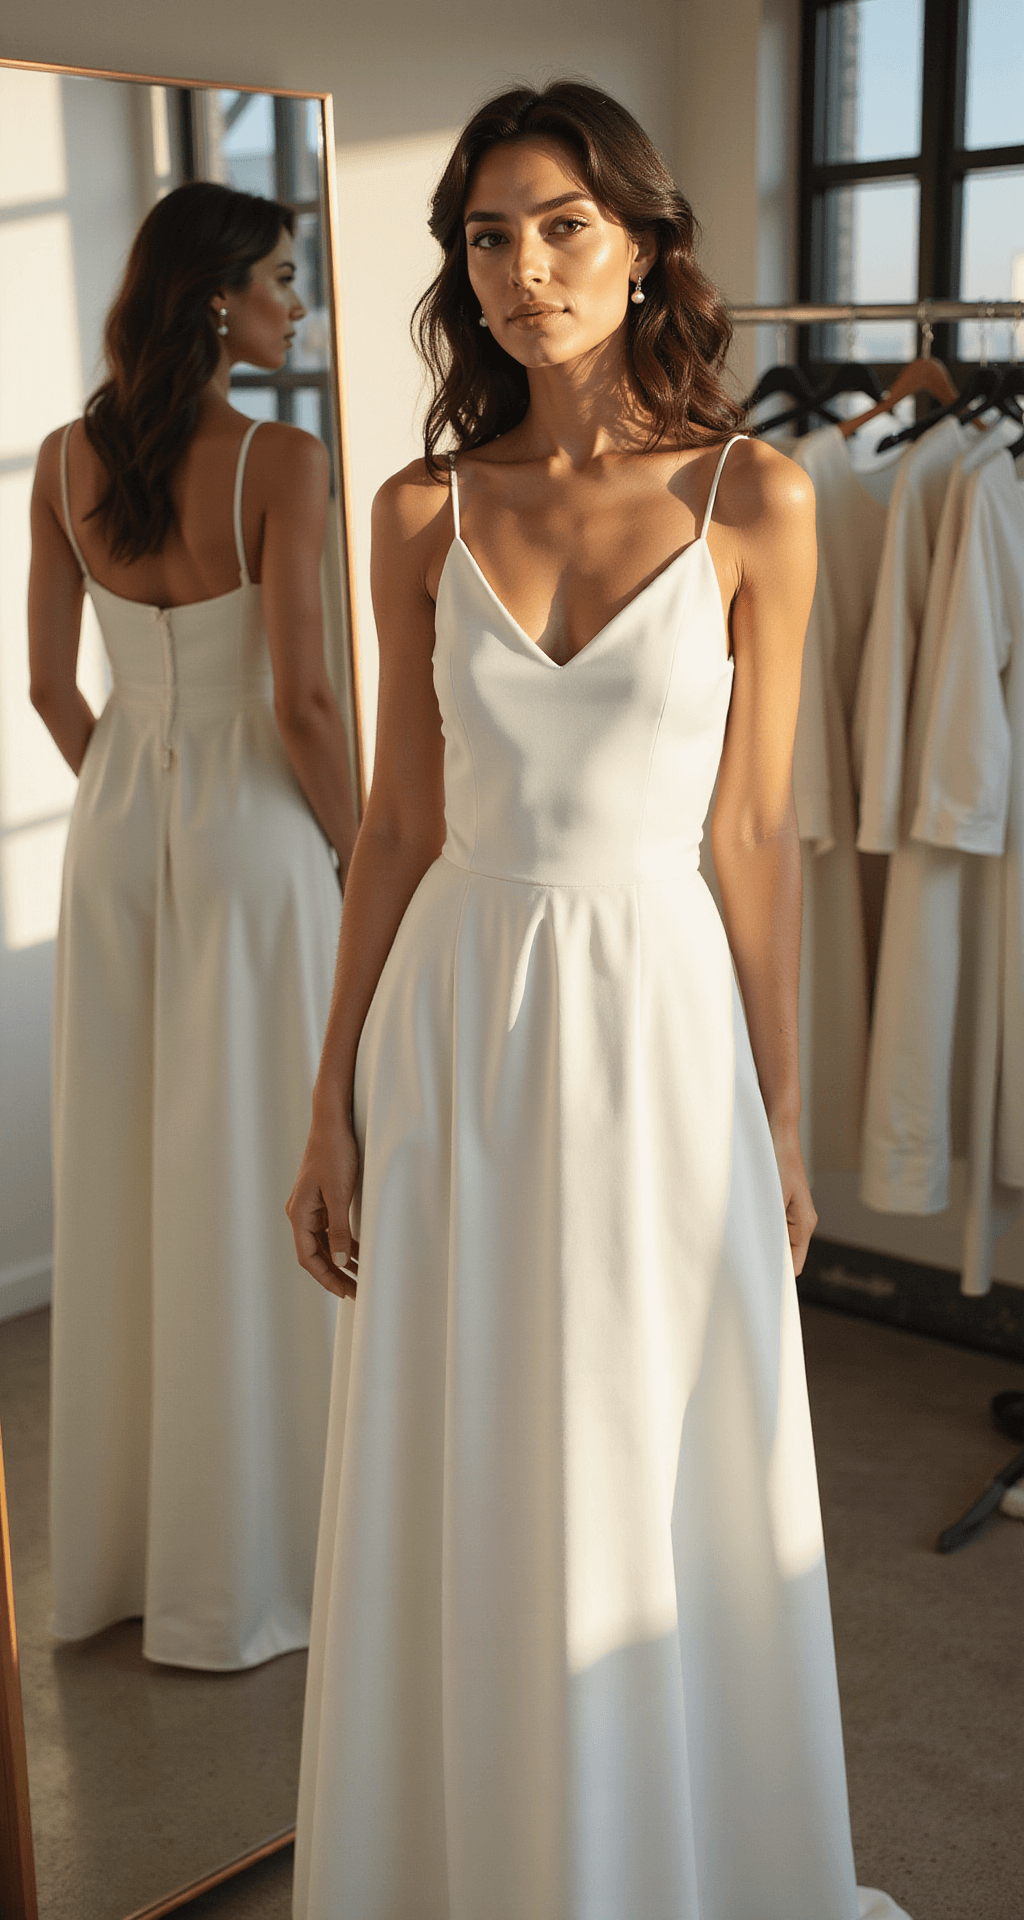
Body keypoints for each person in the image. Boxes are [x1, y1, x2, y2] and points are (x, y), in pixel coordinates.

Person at [287, 82, 910, 1919]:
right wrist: (327, 1099)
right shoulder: (415, 509)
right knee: (462, 1451)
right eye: (488, 235)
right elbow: (398, 827)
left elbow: (753, 837)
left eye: (561, 225)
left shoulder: (757, 497)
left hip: (655, 1033)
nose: (523, 267)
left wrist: (782, 1121)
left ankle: (661, 1862)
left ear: (641, 248)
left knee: (654, 1448)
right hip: (457, 1023)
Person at [29, 180, 357, 1671]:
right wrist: (366, 860)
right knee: (254, 1167)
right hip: (253, 837)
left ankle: (121, 1563)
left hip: (113, 835)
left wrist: (127, 793)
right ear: (220, 298)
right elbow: (302, 702)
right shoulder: (282, 461)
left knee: (128, 1161)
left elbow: (49, 688)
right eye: (285, 279)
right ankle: (263, 1557)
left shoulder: (60, 459)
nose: (302, 305)